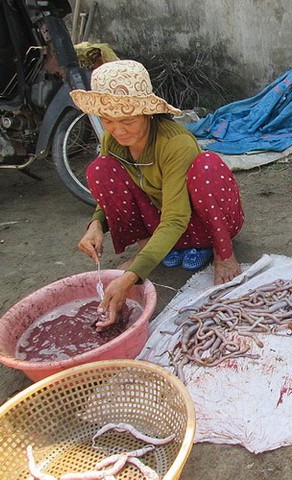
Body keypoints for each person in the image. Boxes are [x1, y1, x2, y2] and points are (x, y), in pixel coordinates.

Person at [70, 60, 245, 330]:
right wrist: (96, 224)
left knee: (206, 165)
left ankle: (222, 253)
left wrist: (130, 278)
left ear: (147, 113)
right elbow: (112, 191)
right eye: (107, 121)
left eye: (127, 120)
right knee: (100, 169)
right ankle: (148, 251)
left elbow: (176, 217)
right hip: (161, 221)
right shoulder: (112, 140)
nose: (118, 130)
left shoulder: (175, 142)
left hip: (201, 220)